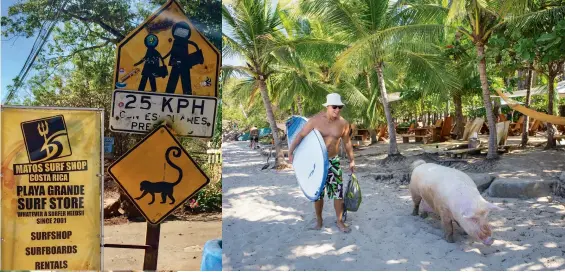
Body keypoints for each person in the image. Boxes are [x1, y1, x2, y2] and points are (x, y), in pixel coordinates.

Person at [288, 93, 355, 233]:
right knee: (318, 193)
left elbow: (347, 142)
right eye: (334, 107)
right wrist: (291, 151)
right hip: (317, 162)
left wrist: (352, 160)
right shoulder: (315, 121)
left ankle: (339, 221)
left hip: (333, 161)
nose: (337, 110)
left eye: (340, 107)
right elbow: (301, 136)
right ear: (328, 106)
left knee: (338, 193)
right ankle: (319, 220)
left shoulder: (343, 123)